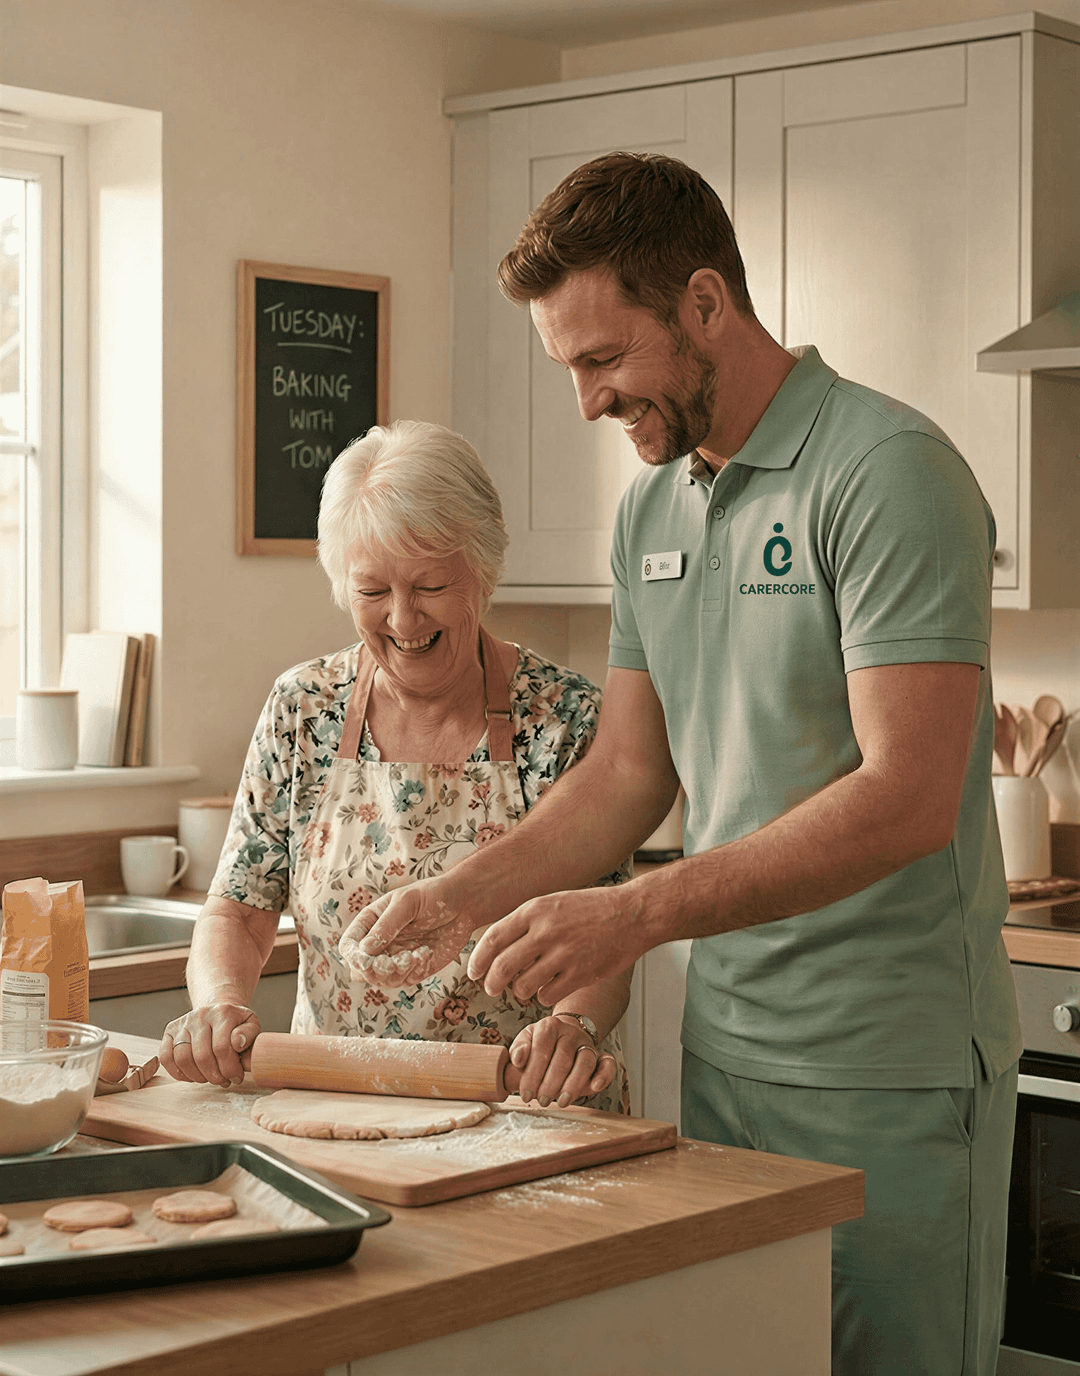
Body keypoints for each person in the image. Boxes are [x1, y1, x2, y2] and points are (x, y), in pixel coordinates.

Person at [342, 154, 1022, 1374]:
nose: (591, 401)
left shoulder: (886, 473)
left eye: (606, 360)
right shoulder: (651, 512)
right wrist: (462, 892)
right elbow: (624, 777)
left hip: (892, 1070)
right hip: (726, 1059)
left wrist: (638, 910)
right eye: (571, 369)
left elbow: (909, 795)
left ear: (705, 303)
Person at [158, 419, 631, 1115]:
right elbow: (239, 906)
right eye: (372, 591)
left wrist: (573, 1027)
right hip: (332, 1106)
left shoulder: (562, 719)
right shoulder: (303, 710)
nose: (403, 619)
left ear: (483, 568)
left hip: (527, 1111)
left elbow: (604, 936)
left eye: (430, 585)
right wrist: (219, 1005)